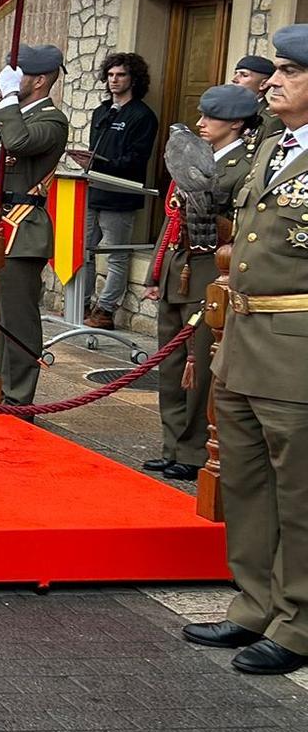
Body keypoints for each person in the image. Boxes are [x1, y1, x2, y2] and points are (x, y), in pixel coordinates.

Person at [184, 24, 308, 675]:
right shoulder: (273, 147)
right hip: (244, 337)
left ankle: (299, 619)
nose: (274, 79)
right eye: (278, 69)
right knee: (249, 480)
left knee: (300, 492)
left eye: (291, 70)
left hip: (296, 349)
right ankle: (256, 603)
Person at [141, 83, 260, 480]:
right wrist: (154, 272)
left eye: (212, 117)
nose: (201, 123)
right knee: (170, 365)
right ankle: (171, 444)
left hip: (210, 270)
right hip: (179, 266)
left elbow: (243, 225)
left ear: (237, 122)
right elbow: (173, 215)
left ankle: (193, 451)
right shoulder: (193, 153)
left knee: (199, 366)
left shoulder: (247, 165)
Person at [0, 45, 72, 406]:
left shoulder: (51, 120)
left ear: (37, 80)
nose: (7, 81)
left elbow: (19, 141)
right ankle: (0, 389)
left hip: (22, 229)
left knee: (18, 322)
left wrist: (7, 99)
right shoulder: (17, 114)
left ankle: (19, 397)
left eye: (16, 75)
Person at [82, 51, 159, 329]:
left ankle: (106, 310)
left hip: (121, 194)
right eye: (111, 75)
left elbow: (137, 158)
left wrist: (105, 164)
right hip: (93, 191)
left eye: (121, 75)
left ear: (133, 78)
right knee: (84, 251)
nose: (114, 80)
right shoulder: (101, 112)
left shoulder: (142, 115)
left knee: (116, 255)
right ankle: (83, 303)